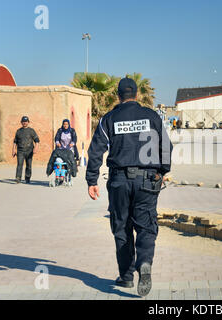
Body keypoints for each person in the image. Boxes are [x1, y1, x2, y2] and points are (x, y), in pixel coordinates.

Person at [85, 77, 173, 297]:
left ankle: (126, 277)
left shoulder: (109, 118)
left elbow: (95, 150)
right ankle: (144, 263)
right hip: (147, 179)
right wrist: (162, 171)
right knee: (145, 226)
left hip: (119, 181)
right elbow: (166, 145)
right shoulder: (152, 116)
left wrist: (92, 180)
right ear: (136, 94)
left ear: (118, 95)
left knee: (122, 227)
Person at [12, 116, 40, 184]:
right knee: (19, 164)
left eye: (26, 121)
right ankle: (18, 178)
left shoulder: (31, 131)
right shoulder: (18, 131)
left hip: (29, 151)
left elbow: (37, 140)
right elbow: (15, 141)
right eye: (23, 122)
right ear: (21, 122)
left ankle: (27, 178)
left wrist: (36, 148)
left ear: (28, 122)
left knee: (28, 165)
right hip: (20, 151)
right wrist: (13, 150)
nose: (24, 123)